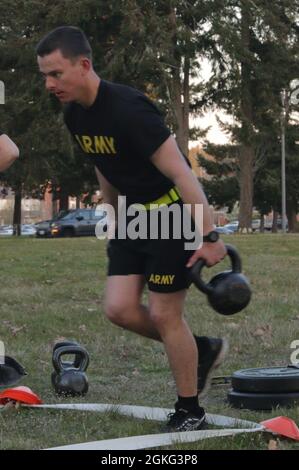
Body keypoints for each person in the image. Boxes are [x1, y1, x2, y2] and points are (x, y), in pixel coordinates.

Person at [36, 26, 228, 432]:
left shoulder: (130, 109)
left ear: (83, 65)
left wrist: (210, 237)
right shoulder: (73, 112)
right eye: (45, 76)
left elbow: (183, 175)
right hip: (131, 218)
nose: (50, 84)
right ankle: (202, 350)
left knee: (164, 314)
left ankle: (190, 409)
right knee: (119, 309)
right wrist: (111, 212)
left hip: (171, 217)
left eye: (56, 74)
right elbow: (104, 162)